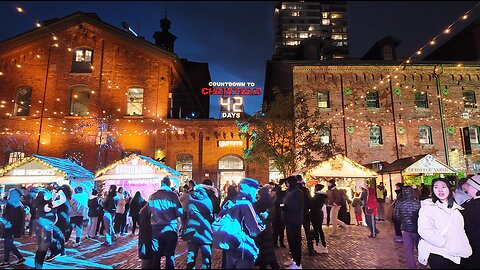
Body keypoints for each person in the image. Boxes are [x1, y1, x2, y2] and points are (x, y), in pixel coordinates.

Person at [417, 178, 472, 269]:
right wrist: (441, 242)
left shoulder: (456, 209)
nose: (440, 190)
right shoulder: (428, 208)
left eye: (443, 187)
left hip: (455, 252)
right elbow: (424, 230)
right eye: (436, 187)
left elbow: (460, 231)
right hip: (437, 251)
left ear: (449, 189)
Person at [223, 177, 264, 269]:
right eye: (255, 189)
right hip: (244, 248)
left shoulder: (231, 202)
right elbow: (254, 230)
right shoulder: (247, 204)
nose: (256, 193)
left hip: (230, 246)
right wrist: (262, 222)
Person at [148, 177, 183, 269]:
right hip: (170, 227)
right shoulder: (173, 196)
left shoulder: (152, 196)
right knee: (170, 254)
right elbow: (179, 212)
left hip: (156, 228)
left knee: (156, 254)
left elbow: (148, 211)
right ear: (169, 184)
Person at [184, 184, 213, 269]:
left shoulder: (190, 200)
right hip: (205, 231)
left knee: (191, 254)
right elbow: (210, 216)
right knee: (206, 256)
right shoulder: (208, 200)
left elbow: (187, 213)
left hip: (192, 230)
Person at [394, 186, 421, 269]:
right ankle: (422, 266)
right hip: (416, 229)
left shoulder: (399, 203)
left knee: (409, 251)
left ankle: (412, 267)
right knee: (420, 249)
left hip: (405, 229)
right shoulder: (417, 203)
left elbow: (396, 216)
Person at [254, 186, 280, 269]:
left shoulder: (261, 202)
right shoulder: (270, 201)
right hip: (267, 227)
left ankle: (268, 265)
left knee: (264, 248)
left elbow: (256, 211)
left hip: (263, 228)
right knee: (267, 248)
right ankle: (268, 264)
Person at [0, 188, 26, 267]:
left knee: (8, 244)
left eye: (12, 194)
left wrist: (1, 219)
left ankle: (20, 257)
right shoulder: (12, 203)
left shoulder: (17, 207)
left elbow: (11, 221)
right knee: (7, 244)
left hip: (11, 228)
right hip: (9, 227)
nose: (10, 195)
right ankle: (7, 261)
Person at [45, 184, 71, 261]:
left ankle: (56, 252)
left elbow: (52, 203)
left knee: (56, 236)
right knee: (60, 235)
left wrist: (56, 192)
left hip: (60, 219)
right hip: (65, 218)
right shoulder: (67, 198)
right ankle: (62, 252)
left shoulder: (62, 198)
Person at [282, 176, 304, 269]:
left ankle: (298, 263)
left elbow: (297, 206)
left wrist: (286, 207)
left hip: (294, 220)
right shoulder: (288, 192)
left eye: (287, 182)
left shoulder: (298, 192)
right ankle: (294, 259)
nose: (286, 184)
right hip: (288, 219)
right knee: (291, 241)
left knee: (296, 241)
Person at [460, 175, 480, 268]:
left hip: (473, 244)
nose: (466, 187)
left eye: (469, 185)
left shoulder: (472, 206)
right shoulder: (470, 202)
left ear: (476, 188)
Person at [33, 188, 56, 269]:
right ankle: (38, 267)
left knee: (41, 250)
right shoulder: (46, 205)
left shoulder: (40, 204)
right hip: (44, 229)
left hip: (42, 228)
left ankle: (38, 266)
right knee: (42, 250)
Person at [295, 175, 314, 256]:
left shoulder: (294, 190)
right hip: (305, 212)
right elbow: (310, 201)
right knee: (307, 230)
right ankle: (310, 247)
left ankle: (297, 248)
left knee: (297, 231)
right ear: (301, 180)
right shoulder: (305, 190)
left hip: (296, 213)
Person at [311, 184, 328, 254]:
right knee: (320, 230)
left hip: (315, 214)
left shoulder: (316, 197)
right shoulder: (323, 196)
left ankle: (318, 244)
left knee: (316, 229)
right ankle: (323, 245)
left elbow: (312, 205)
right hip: (320, 213)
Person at [271, 179, 286, 248]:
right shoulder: (280, 192)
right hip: (279, 214)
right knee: (279, 230)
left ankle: (276, 243)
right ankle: (279, 243)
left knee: (277, 230)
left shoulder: (277, 191)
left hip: (277, 214)